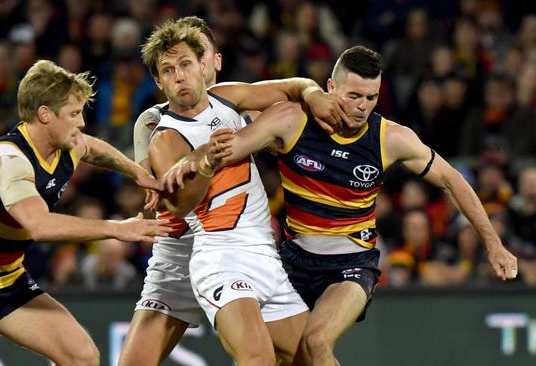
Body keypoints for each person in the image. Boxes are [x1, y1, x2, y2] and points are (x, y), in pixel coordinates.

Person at [167, 45, 518, 366]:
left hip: (351, 264)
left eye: (371, 97)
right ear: (330, 88)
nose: (362, 106)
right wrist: (188, 163)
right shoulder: (291, 120)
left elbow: (452, 180)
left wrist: (494, 244)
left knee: (317, 342)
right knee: (275, 357)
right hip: (293, 261)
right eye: (354, 96)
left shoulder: (390, 138)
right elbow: (229, 148)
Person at [0, 59, 172, 366]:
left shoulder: (67, 144)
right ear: (44, 114)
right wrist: (116, 228)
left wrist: (135, 171)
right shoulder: (10, 162)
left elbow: (93, 148)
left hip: (7, 279)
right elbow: (39, 226)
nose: (81, 122)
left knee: (82, 357)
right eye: (73, 114)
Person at [138, 20, 349, 366]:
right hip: (222, 259)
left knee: (314, 356)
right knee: (257, 357)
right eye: (168, 70)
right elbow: (179, 205)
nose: (179, 75)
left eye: (186, 64)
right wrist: (206, 164)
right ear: (159, 82)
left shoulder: (227, 97)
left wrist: (313, 94)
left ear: (202, 65)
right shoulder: (165, 137)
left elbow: (292, 86)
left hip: (266, 258)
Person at [119, 16, 224, 366]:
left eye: (196, 57)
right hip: (177, 257)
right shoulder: (154, 122)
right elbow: (159, 190)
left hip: (234, 254)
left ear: (212, 60)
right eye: (172, 66)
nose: (184, 71)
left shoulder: (245, 111)